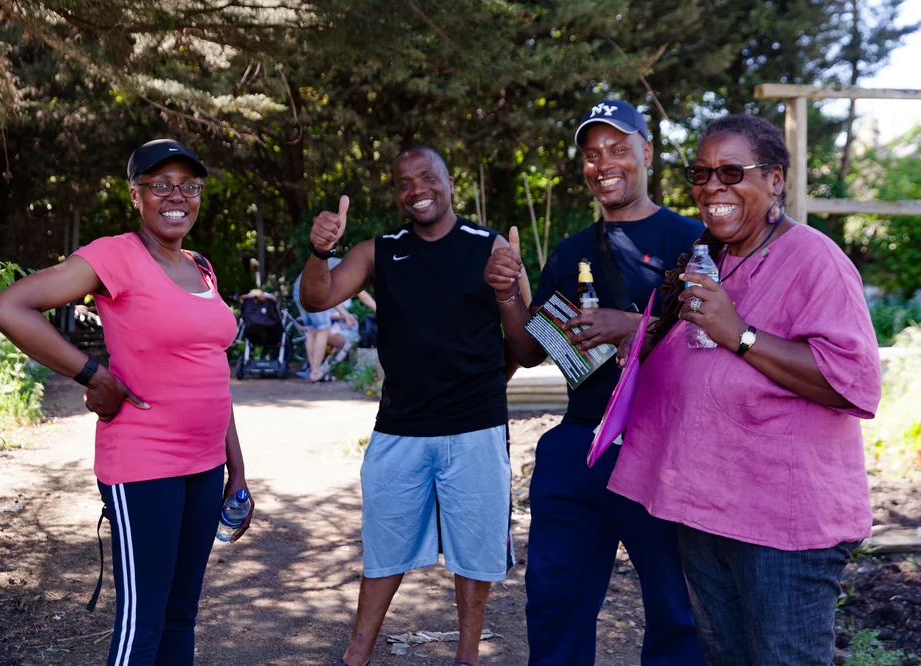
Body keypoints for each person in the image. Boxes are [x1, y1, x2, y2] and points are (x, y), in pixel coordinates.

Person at [609, 114, 882, 665]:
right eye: (702, 172)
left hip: (783, 524)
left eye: (733, 171)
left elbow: (852, 380)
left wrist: (742, 336)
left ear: (775, 179)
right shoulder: (714, 257)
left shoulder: (814, 258)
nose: (714, 187)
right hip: (707, 510)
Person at [0, 139, 254, 666]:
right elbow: (9, 306)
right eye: (160, 185)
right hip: (143, 465)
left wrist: (237, 470)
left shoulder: (201, 267)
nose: (176, 196)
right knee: (143, 622)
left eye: (189, 186)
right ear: (136, 195)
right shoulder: (115, 255)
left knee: (182, 615)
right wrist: (92, 374)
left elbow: (212, 377)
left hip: (205, 466)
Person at [484, 99, 705, 665]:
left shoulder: (695, 239)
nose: (603, 162)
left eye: (617, 148)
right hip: (580, 443)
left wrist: (633, 325)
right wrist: (510, 292)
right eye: (591, 153)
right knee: (555, 603)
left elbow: (720, 338)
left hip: (664, 447)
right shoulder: (573, 250)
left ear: (646, 153)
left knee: (677, 612)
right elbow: (532, 351)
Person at [300, 145, 527, 666]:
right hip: (400, 428)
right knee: (384, 550)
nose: (417, 189)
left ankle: (466, 657)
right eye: (405, 183)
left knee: (475, 555)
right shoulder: (380, 251)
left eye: (428, 177)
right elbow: (318, 298)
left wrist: (508, 291)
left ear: (450, 182)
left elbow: (527, 346)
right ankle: (356, 655)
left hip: (475, 427)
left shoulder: (488, 246)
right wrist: (319, 252)